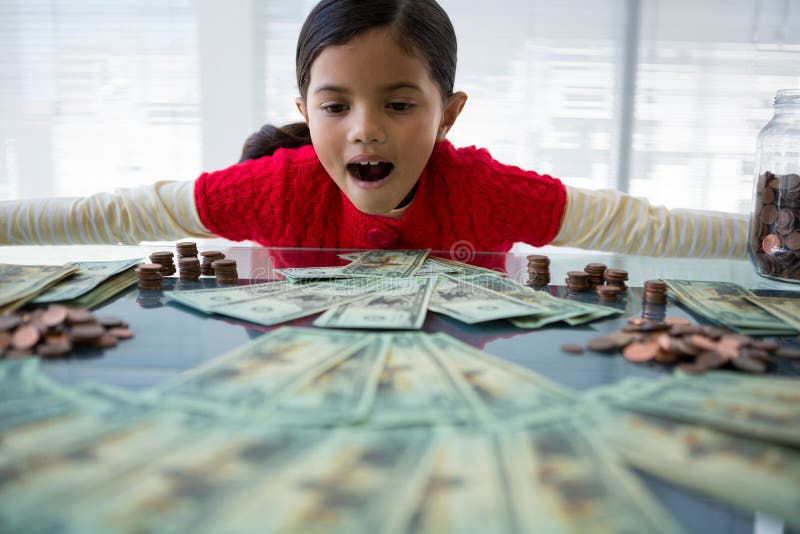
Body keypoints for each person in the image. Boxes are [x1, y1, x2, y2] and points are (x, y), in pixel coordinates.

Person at [0, 0, 746, 259]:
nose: (365, 133)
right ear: (304, 111)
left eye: (399, 103)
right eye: (335, 107)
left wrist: (776, 239)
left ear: (448, 113)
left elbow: (640, 224)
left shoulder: (484, 192)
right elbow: (120, 212)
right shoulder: (270, 189)